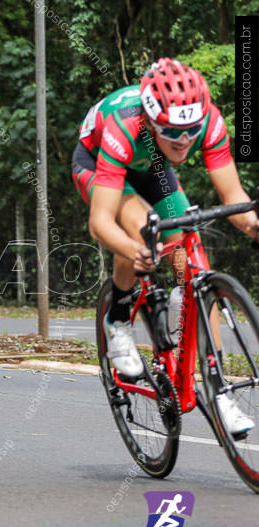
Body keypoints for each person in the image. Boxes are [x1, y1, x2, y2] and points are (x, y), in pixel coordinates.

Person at [74, 58, 256, 432]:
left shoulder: (207, 121)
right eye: (173, 131)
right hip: (99, 164)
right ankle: (118, 321)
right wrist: (133, 248)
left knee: (190, 253)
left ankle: (220, 391)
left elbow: (234, 197)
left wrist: (254, 224)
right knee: (140, 226)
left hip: (152, 164)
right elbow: (100, 223)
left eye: (191, 130)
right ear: (152, 120)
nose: (185, 140)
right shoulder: (124, 125)